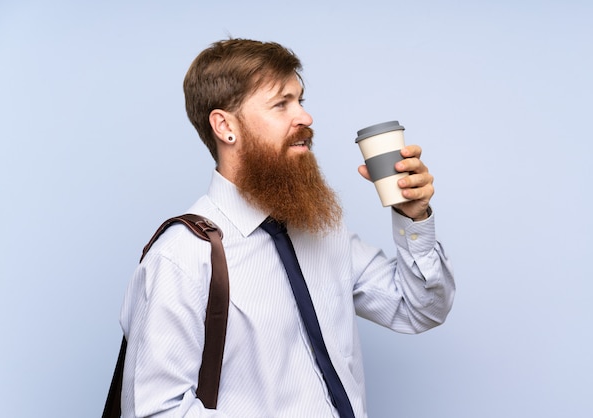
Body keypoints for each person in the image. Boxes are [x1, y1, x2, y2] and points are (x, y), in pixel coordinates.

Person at [119, 38, 455, 417]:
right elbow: (154, 411)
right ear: (225, 126)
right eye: (281, 104)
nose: (305, 118)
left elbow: (420, 309)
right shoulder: (182, 257)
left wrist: (413, 216)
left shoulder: (321, 228)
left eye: (301, 100)